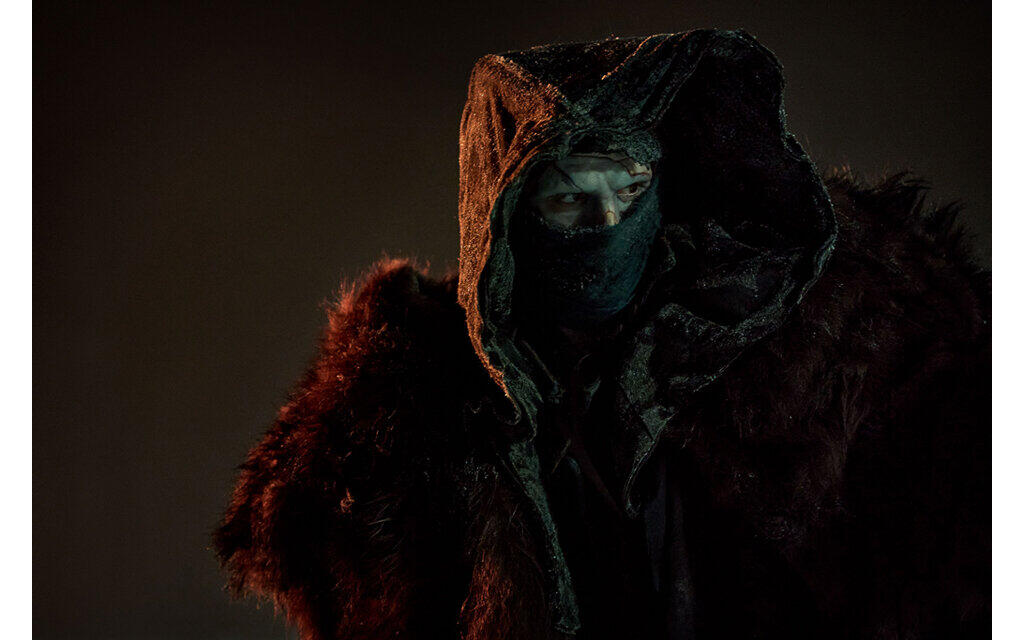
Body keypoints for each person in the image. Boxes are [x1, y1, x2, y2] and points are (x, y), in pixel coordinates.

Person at [214, 30, 990, 639]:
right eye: (567, 199)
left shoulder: (786, 337)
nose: (604, 222)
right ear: (510, 215)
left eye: (630, 188)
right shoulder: (422, 400)